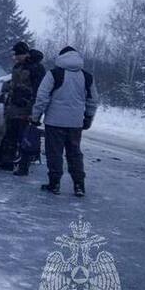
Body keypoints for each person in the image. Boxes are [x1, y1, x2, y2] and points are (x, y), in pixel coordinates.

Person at [31, 46, 98, 197]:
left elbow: (42, 97)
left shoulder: (54, 74)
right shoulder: (87, 77)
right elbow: (93, 100)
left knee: (54, 153)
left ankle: (54, 184)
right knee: (74, 153)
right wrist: (88, 117)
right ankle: (79, 185)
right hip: (75, 123)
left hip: (54, 122)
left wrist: (35, 116)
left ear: (61, 57)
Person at [0, 41, 46, 175]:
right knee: (10, 135)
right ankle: (7, 162)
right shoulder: (18, 66)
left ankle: (23, 166)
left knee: (24, 138)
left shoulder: (36, 68)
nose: (15, 57)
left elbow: (39, 91)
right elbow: (14, 83)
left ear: (24, 53)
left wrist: (35, 111)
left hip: (26, 108)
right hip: (14, 107)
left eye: (17, 54)